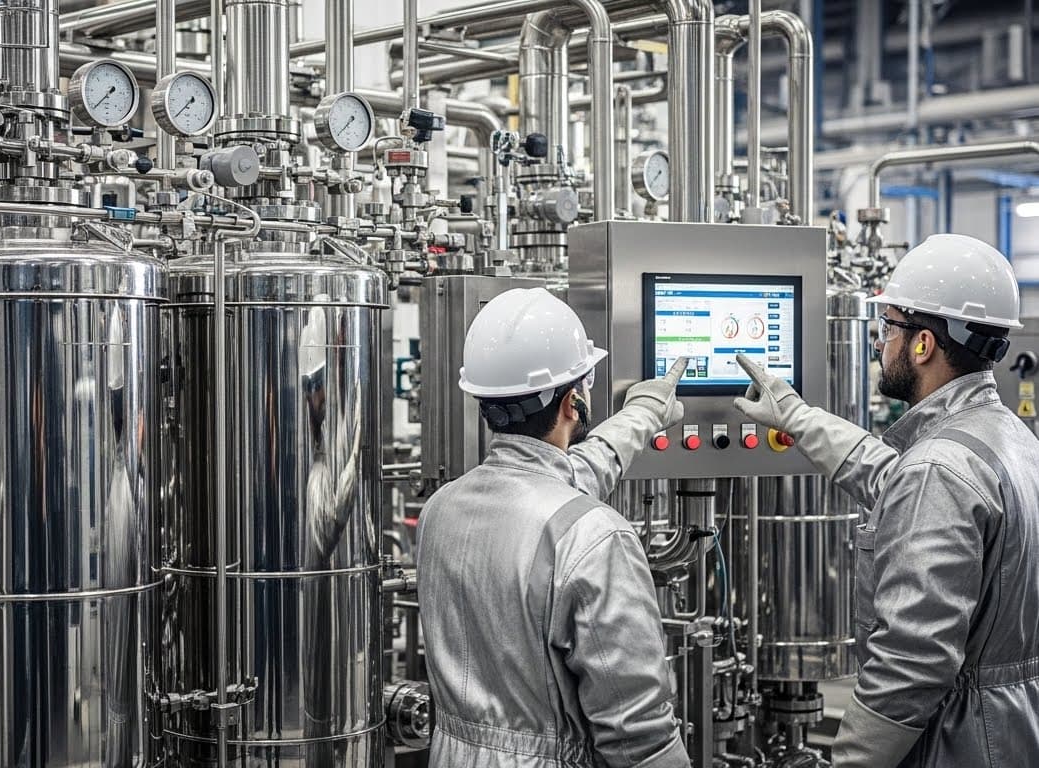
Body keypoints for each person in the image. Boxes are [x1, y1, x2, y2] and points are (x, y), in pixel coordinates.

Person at [732, 233, 1039, 768]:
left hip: (957, 741)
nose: (879, 343)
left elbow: (911, 663)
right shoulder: (1006, 438)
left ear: (923, 344)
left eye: (888, 327)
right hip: (1011, 727)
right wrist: (796, 416)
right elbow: (892, 477)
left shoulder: (938, 470)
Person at [417, 287, 690, 768]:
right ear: (572, 404)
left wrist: (643, 414)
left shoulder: (442, 508)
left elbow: (564, 473)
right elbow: (637, 734)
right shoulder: (596, 537)